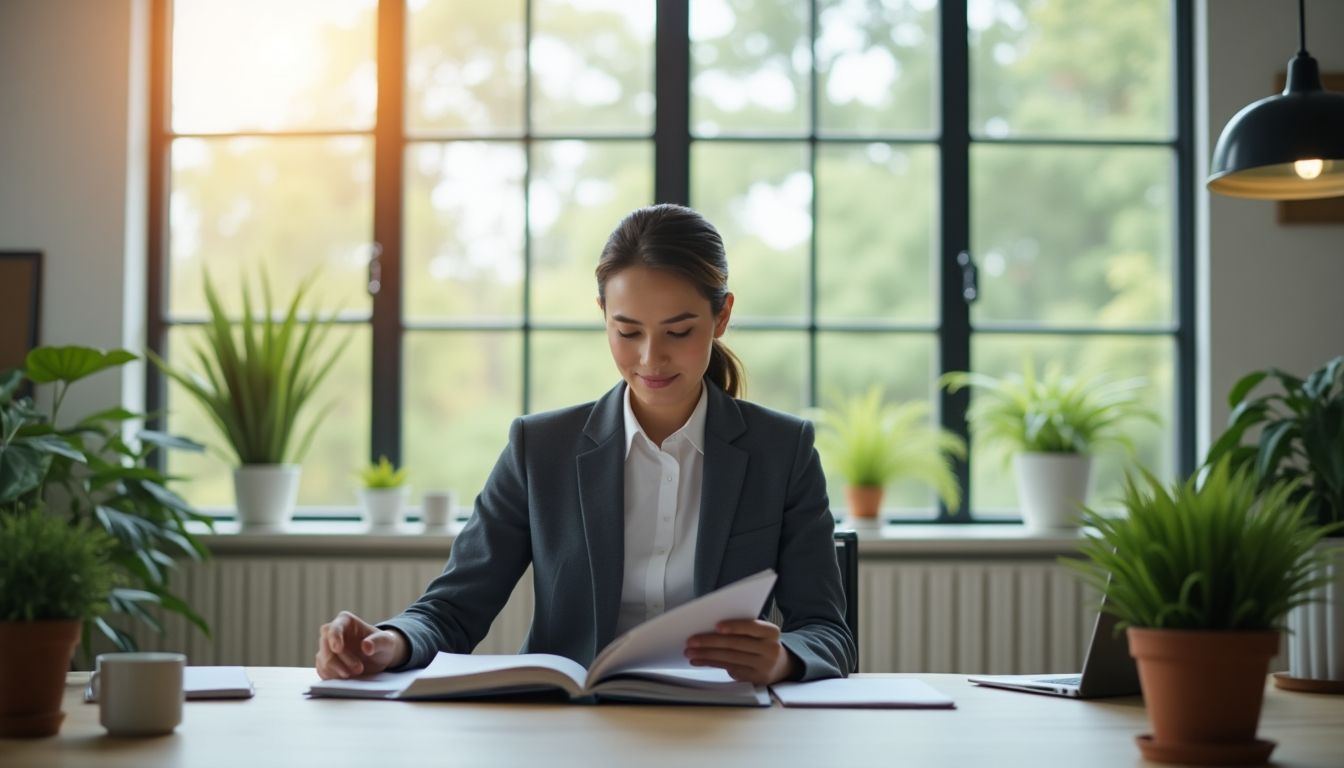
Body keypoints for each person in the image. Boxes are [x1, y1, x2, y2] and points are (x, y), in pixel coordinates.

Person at [316, 204, 854, 685]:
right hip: (570, 724)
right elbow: (452, 609)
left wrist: (782, 657)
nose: (650, 358)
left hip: (723, 728)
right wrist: (388, 642)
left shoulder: (782, 450)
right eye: (627, 332)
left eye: (679, 331)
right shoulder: (539, 449)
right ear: (603, 316)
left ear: (722, 316)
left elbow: (827, 631)